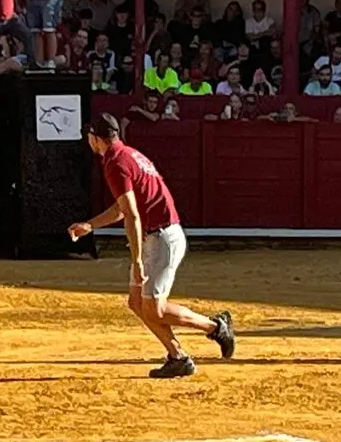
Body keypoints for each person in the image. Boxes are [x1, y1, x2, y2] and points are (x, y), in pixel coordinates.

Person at [69, 114, 236, 379]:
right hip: (155, 237)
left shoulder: (114, 163)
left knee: (154, 309)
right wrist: (90, 225)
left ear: (95, 138)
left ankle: (215, 326)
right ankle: (178, 357)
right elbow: (123, 209)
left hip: (162, 239)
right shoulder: (128, 154)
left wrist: (136, 261)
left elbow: (132, 215)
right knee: (137, 303)